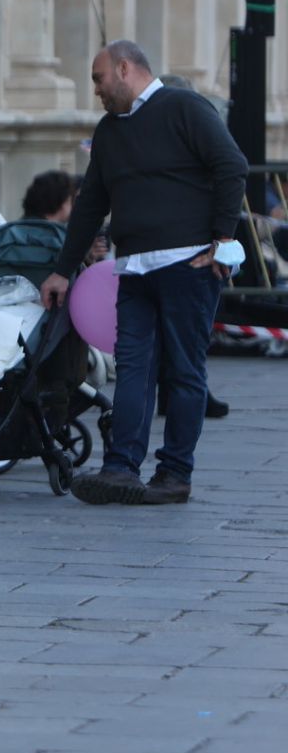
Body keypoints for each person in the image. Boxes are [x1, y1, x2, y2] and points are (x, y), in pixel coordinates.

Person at [41, 40, 246, 507]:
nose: (95, 90)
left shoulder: (184, 108)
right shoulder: (110, 131)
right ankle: (121, 468)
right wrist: (62, 270)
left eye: (98, 79)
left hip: (188, 265)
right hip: (133, 269)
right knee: (134, 368)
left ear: (125, 69)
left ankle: (174, 473)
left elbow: (231, 165)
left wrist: (222, 240)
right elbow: (91, 202)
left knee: (184, 370)